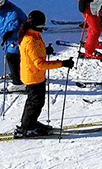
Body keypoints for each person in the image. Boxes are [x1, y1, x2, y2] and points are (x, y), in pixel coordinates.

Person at [14, 10, 74, 138]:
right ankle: (26, 128)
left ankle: (30, 123)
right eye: (42, 24)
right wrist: (62, 63)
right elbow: (40, 64)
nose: (43, 26)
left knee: (35, 102)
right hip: (33, 76)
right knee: (35, 103)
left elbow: (33, 54)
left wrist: (45, 50)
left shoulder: (33, 34)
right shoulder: (30, 39)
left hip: (35, 75)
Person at [0, 0, 27, 86]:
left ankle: (18, 82)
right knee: (12, 56)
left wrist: (9, 32)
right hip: (10, 38)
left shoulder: (12, 12)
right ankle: (18, 74)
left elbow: (13, 23)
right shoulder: (0, 11)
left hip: (17, 38)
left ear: (1, 3)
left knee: (12, 56)